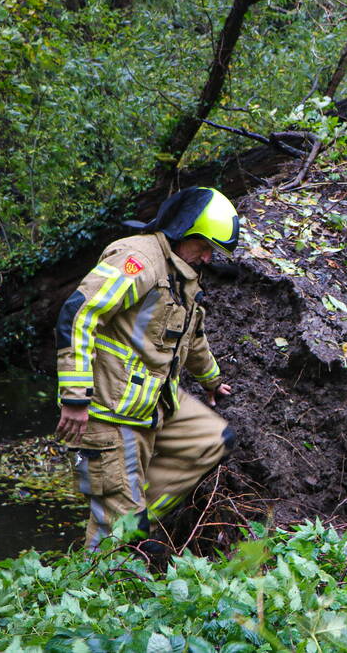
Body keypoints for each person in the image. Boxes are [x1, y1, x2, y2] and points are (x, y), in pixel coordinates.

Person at [55, 186, 238, 550]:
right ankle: (115, 544)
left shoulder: (181, 272)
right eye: (203, 246)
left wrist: (211, 380)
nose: (206, 257)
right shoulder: (138, 259)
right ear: (183, 231)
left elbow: (191, 334)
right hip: (108, 410)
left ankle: (127, 523)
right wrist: (75, 398)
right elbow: (78, 314)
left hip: (152, 404)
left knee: (213, 440)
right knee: (123, 533)